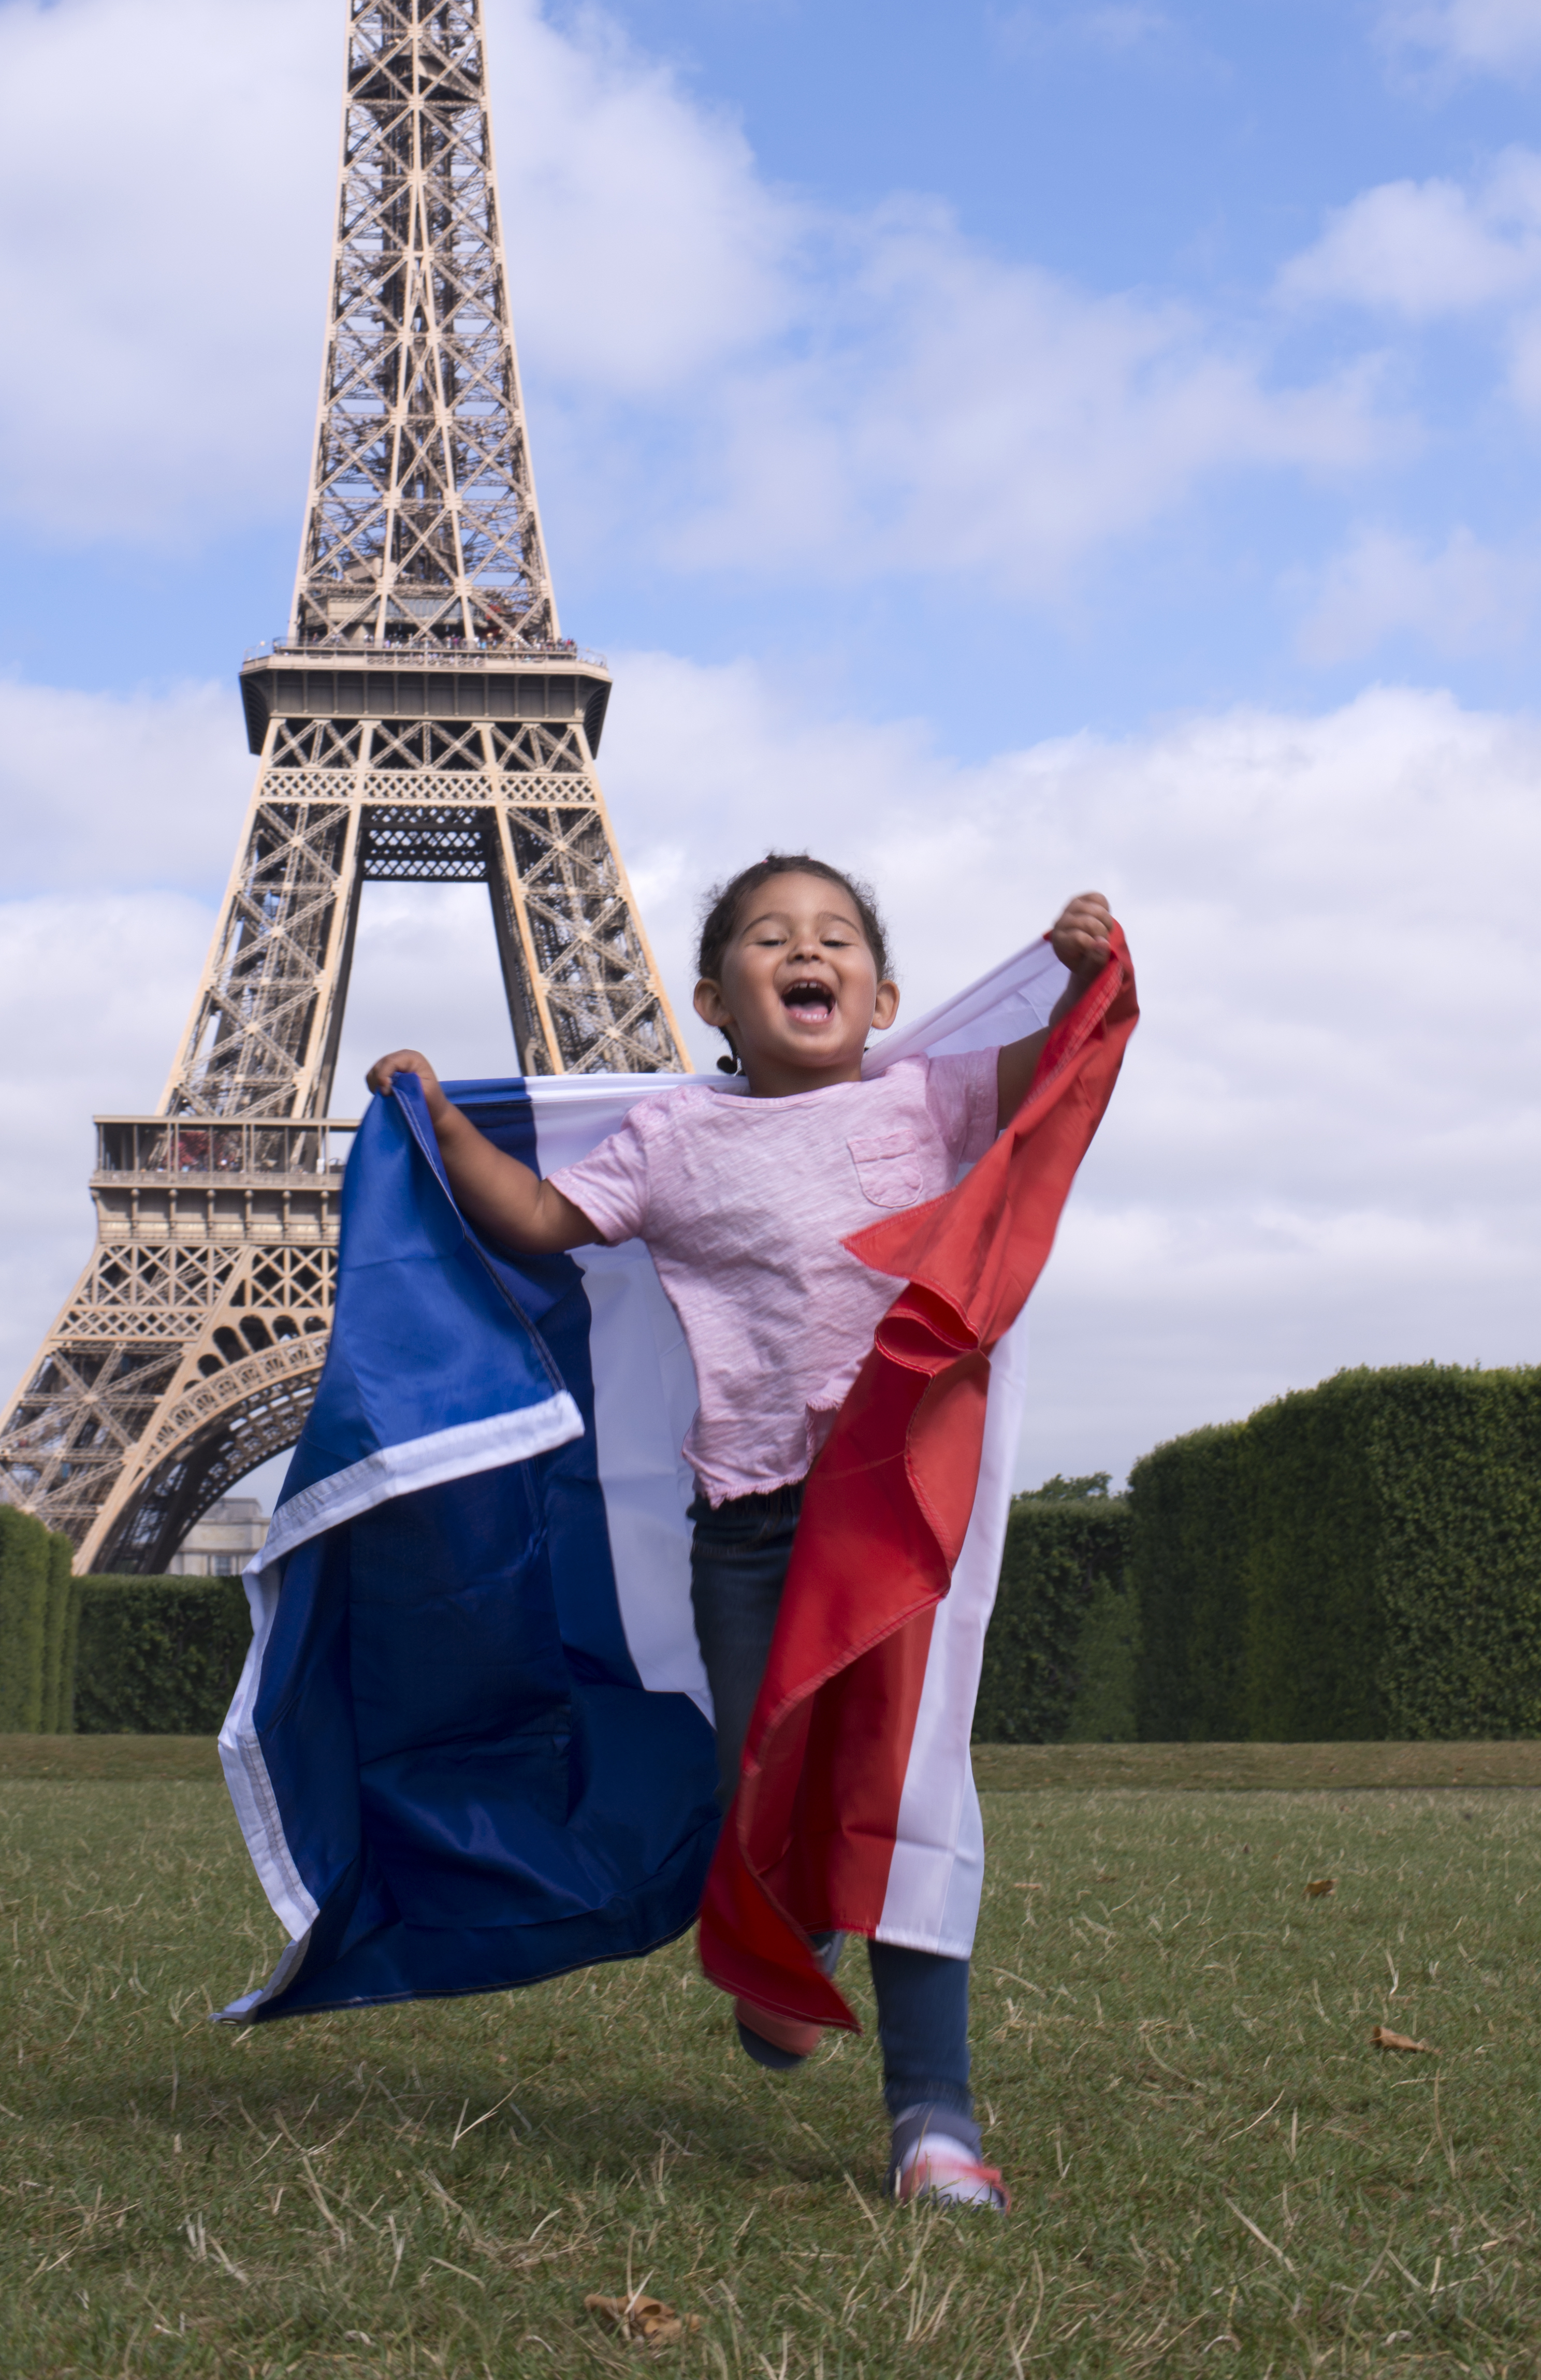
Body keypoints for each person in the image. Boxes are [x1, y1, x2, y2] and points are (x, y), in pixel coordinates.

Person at [367, 855, 1115, 2217]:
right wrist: (439, 1121)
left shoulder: (927, 1095)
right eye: (771, 939)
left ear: (885, 997)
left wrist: (1078, 977)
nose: (804, 951)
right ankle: (788, 1927)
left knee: (909, 1800)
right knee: (760, 1778)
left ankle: (931, 2119)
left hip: (893, 1510)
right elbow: (542, 1217)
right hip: (755, 1526)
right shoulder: (669, 1136)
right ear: (717, 996)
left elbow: (1047, 1090)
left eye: (834, 937)